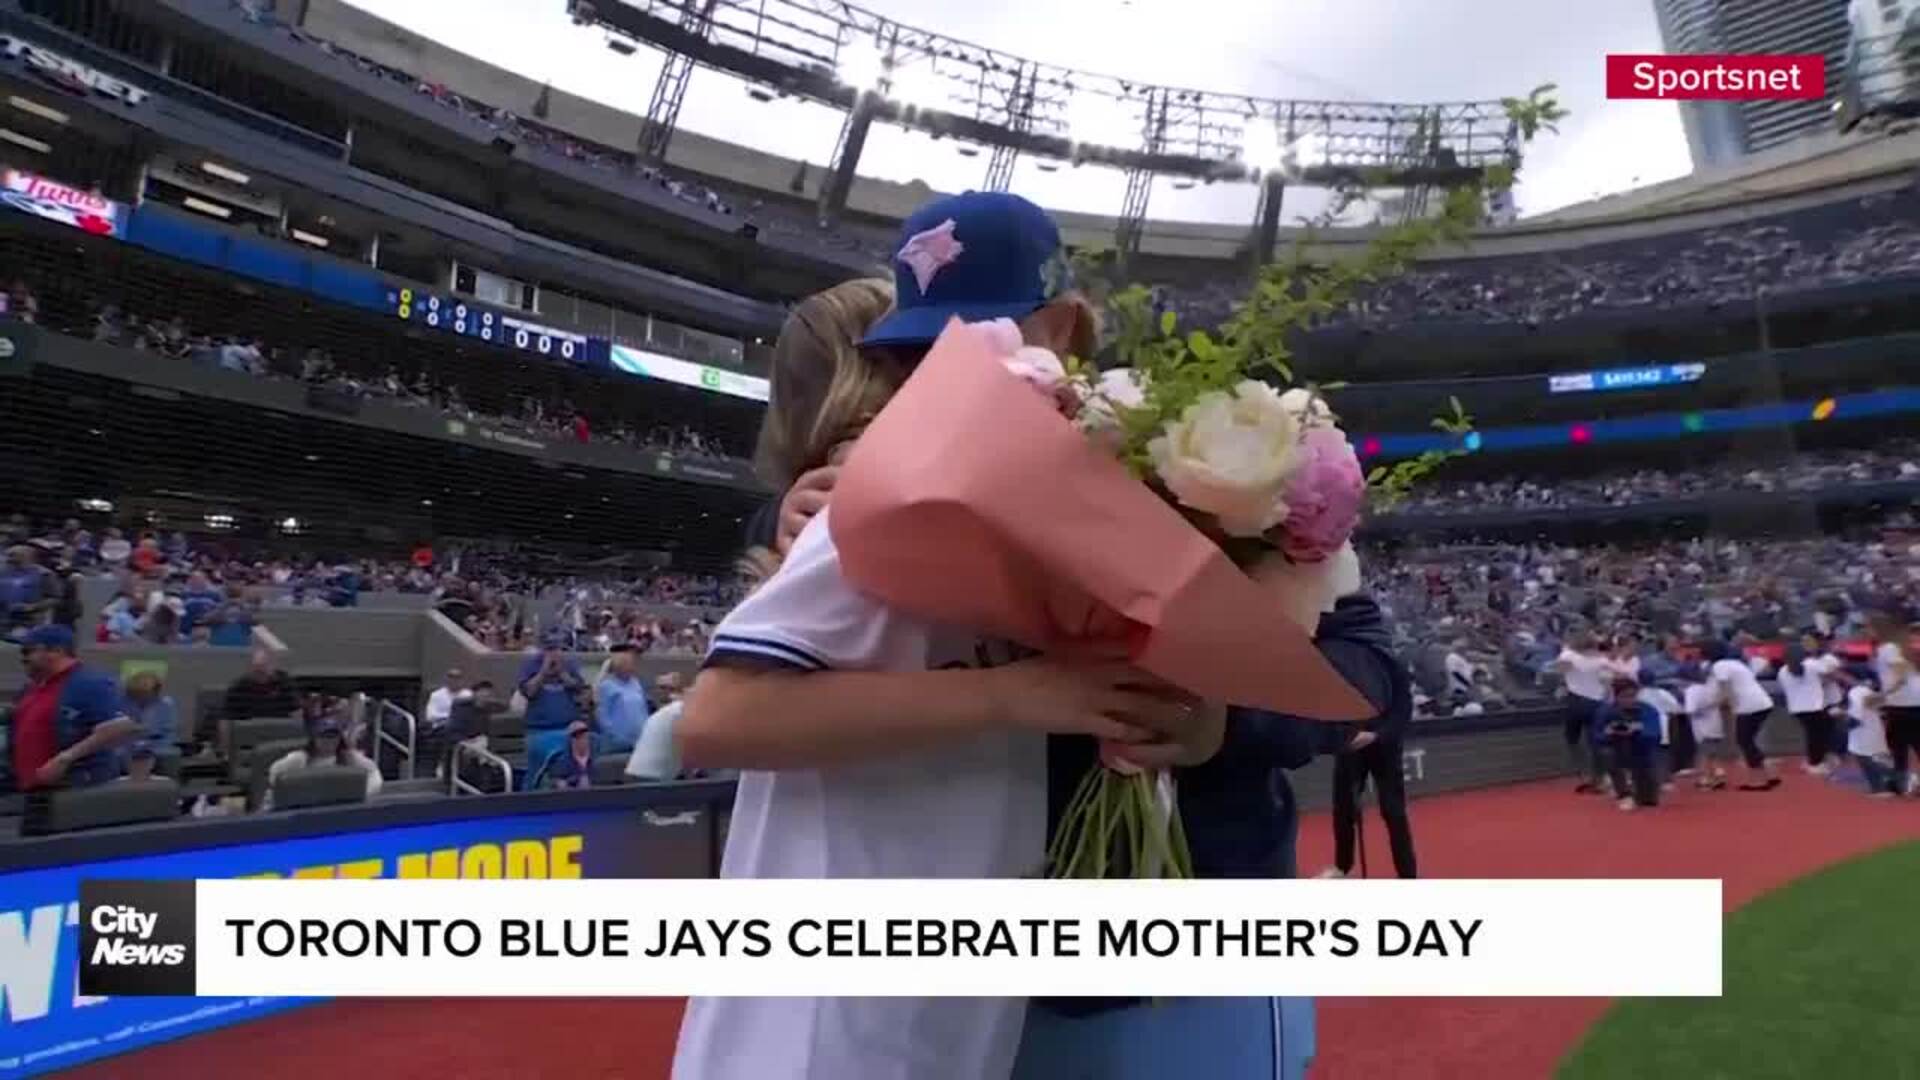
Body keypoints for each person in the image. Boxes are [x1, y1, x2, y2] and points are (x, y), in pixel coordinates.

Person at [671, 195, 1215, 1080]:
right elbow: (717, 718)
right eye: (915, 355)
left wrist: (1182, 712)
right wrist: (1021, 693)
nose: (940, 375)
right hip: (812, 1033)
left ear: (1069, 331)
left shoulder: (1059, 502)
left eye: (965, 345)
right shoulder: (883, 499)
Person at [1316, 603, 1416, 879]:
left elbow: (1402, 710)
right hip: (1350, 740)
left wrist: (1376, 736)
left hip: (1384, 743)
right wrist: (1344, 735)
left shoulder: (1389, 660)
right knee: (1344, 808)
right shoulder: (1337, 658)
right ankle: (1342, 868)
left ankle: (1409, 876)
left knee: (1394, 811)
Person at [10, 625, 139, 790]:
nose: (24, 658)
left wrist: (66, 757)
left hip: (72, 790)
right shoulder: (33, 688)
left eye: (28, 651)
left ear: (56, 651)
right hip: (30, 790)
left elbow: (122, 726)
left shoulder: (89, 683)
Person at [263, 711, 382, 809]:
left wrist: (363, 793)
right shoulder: (299, 758)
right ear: (314, 738)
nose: (329, 741)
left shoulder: (350, 758)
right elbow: (274, 773)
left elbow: (375, 775)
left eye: (333, 736)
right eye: (324, 736)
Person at [1707, 640, 1780, 791]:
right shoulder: (1736, 663)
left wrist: (1720, 706)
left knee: (1744, 740)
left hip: (1749, 705)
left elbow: (1726, 691)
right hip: (1762, 702)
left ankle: (1759, 779)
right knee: (1748, 740)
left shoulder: (1719, 666)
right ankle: (1769, 773)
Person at [517, 632, 586, 785]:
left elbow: (579, 688)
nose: (554, 652)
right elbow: (529, 691)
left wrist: (562, 673)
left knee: (569, 774)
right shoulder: (531, 664)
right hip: (539, 730)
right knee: (539, 774)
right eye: (550, 649)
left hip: (568, 729)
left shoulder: (569, 664)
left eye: (557, 648)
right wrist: (543, 672)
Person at [1867, 608, 1920, 797]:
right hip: (1908, 702)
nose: (1867, 632)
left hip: (1902, 703)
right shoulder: (1897, 647)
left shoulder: (1888, 649)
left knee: (1899, 744)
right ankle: (1902, 781)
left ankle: (1902, 782)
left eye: (1870, 628)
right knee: (1907, 742)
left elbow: (1901, 673)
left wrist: (1883, 694)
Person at [1551, 632, 1612, 793]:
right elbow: (1607, 685)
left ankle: (1584, 774)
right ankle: (1599, 777)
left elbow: (1559, 669)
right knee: (1596, 743)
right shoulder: (1602, 660)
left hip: (1576, 702)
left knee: (1573, 740)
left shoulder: (1569, 655)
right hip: (1597, 703)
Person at [1591, 677, 1663, 810]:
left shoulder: (1648, 710)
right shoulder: (1606, 711)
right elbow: (1596, 736)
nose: (1629, 700)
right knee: (1607, 754)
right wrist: (1609, 733)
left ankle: (1643, 787)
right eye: (1624, 696)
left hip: (1642, 751)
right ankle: (1623, 794)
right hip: (1617, 749)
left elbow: (1655, 734)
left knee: (1649, 801)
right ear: (1616, 696)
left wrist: (1637, 730)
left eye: (1632, 696)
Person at [1776, 640, 1840, 775]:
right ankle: (1815, 764)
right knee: (1817, 736)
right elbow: (1830, 673)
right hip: (1814, 706)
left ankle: (1815, 760)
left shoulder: (1782, 671)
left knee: (1814, 734)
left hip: (1797, 708)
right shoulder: (1811, 664)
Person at [627, 672, 688, 782]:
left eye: (670, 688)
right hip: (652, 773)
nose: (665, 692)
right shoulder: (651, 709)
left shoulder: (679, 709)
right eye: (661, 688)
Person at [1843, 677, 1895, 797]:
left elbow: (1855, 720)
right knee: (1878, 760)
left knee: (1869, 762)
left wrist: (1841, 721)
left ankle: (1882, 788)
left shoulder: (1855, 693)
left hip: (1863, 736)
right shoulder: (1868, 692)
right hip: (1873, 732)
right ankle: (1885, 786)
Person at [1681, 666, 1731, 791]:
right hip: (1716, 725)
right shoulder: (1708, 688)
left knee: (1703, 754)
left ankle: (1706, 779)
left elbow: (1690, 710)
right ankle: (1718, 777)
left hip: (1702, 728)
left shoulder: (1691, 690)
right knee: (1713, 753)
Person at [121, 670, 181, 773]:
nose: (140, 698)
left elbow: (170, 734)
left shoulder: (167, 705)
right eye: (136, 694)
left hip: (157, 745)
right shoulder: (122, 703)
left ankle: (167, 786)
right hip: (126, 744)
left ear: (155, 692)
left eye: (144, 693)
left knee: (170, 754)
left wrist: (148, 745)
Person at [594, 645, 651, 754]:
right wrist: (614, 735)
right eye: (627, 665)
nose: (631, 668)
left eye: (631, 664)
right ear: (618, 667)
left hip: (639, 740)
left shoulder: (636, 683)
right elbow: (602, 715)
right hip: (617, 743)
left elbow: (643, 708)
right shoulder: (607, 686)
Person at [1635, 671, 1684, 788]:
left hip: (1644, 726)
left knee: (1645, 753)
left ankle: (1650, 779)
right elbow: (1678, 709)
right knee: (1663, 752)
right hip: (1663, 724)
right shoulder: (1663, 693)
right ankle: (1665, 780)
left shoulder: (1638, 694)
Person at [533, 719, 597, 790]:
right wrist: (557, 784)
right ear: (569, 740)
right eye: (577, 737)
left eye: (584, 736)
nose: (581, 740)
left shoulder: (597, 757)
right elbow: (541, 784)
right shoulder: (557, 760)